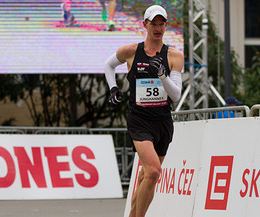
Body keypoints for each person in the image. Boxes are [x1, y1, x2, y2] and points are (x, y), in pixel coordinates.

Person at [104, 5, 184, 217]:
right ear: (145, 25)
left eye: (161, 24)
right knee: (154, 171)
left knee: (145, 176)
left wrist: (163, 76)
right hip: (139, 120)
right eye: (153, 23)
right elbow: (108, 65)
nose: (157, 28)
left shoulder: (174, 56)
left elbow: (176, 96)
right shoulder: (131, 51)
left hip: (163, 122)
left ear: (166, 25)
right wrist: (113, 87)